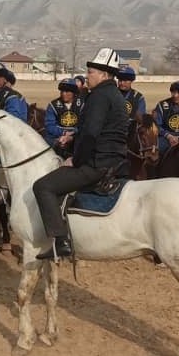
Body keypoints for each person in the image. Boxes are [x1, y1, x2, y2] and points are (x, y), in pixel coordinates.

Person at [33, 48, 128, 259]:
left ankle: (61, 241)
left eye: (91, 72)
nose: (87, 76)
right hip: (116, 161)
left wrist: (75, 160)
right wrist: (74, 137)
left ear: (104, 74)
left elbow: (91, 134)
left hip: (97, 163)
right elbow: (102, 130)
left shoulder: (99, 96)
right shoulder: (115, 95)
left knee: (43, 186)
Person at [44, 78, 82, 158]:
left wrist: (73, 135)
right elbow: (49, 125)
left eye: (67, 91)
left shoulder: (82, 104)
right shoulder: (53, 105)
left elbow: (86, 124)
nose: (64, 94)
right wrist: (64, 133)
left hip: (77, 136)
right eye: (62, 91)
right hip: (58, 137)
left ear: (73, 92)